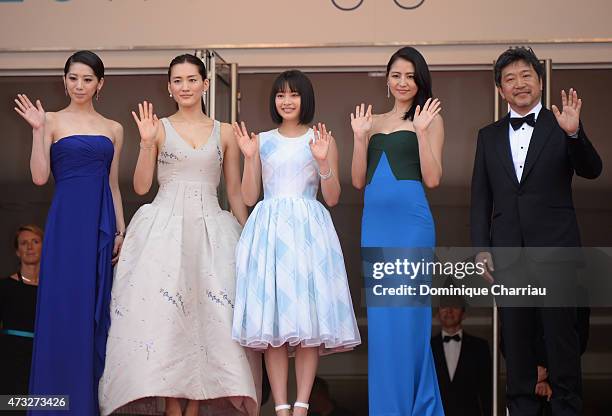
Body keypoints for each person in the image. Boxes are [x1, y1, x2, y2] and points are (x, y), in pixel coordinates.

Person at [99, 54, 259, 416]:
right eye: (177, 80)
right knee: (166, 318)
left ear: (205, 84)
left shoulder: (225, 131)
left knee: (210, 320)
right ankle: (173, 405)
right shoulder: (157, 128)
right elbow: (141, 186)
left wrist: (251, 238)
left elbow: (234, 194)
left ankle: (194, 407)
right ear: (169, 87)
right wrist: (144, 141)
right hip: (164, 229)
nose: (184, 87)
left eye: (191, 80)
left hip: (210, 231)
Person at [470, 46, 602, 416]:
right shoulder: (488, 135)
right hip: (509, 254)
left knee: (561, 340)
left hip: (557, 252)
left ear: (540, 81)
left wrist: (575, 135)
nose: (519, 84)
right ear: (500, 90)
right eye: (509, 79)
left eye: (526, 76)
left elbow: (593, 169)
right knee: (516, 342)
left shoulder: (561, 124)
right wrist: (481, 249)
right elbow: (481, 197)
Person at [232, 69, 360, 416]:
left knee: (307, 321)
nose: (286, 101)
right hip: (271, 228)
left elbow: (332, 197)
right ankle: (281, 405)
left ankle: (302, 404)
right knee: (273, 320)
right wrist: (248, 156)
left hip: (308, 229)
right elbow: (248, 195)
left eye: (294, 94)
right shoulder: (262, 140)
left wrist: (322, 163)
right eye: (280, 95)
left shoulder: (323, 139)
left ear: (306, 99)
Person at [14, 50, 125, 416]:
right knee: (62, 313)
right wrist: (36, 130)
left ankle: (87, 405)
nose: (80, 85)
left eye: (88, 79)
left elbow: (113, 185)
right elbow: (40, 176)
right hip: (65, 228)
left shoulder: (114, 129)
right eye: (73, 78)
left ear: (100, 84)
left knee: (96, 315)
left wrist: (120, 230)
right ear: (65, 80)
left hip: (101, 226)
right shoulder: (49, 120)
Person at [350, 46, 445, 415]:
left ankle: (419, 407)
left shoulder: (430, 119)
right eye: (396, 75)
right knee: (383, 323)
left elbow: (434, 178)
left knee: (409, 319)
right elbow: (358, 179)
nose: (403, 82)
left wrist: (420, 132)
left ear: (420, 79)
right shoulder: (369, 120)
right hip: (375, 228)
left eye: (410, 75)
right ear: (387, 80)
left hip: (411, 228)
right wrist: (359, 138)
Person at [0, 225, 43, 401]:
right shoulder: (4, 287)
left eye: (35, 241)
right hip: (12, 362)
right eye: (24, 243)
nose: (30, 247)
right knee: (13, 408)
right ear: (18, 252)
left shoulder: (55, 290)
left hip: (46, 358)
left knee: (50, 407)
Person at [431, 296, 492, 416]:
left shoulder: (480, 347)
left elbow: (487, 392)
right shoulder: (428, 348)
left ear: (464, 313)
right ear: (437, 314)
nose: (449, 310)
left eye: (454, 305)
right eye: (444, 306)